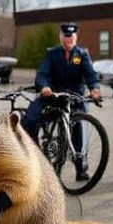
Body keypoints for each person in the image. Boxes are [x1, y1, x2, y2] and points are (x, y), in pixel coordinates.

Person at [21, 22, 101, 182]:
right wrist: (44, 86)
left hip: (74, 99)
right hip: (53, 95)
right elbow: (42, 73)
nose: (68, 40)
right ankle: (33, 154)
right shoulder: (52, 54)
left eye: (71, 37)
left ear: (75, 37)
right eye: (65, 37)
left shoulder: (82, 54)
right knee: (30, 117)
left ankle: (81, 169)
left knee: (78, 126)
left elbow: (90, 74)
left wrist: (94, 89)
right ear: (61, 37)